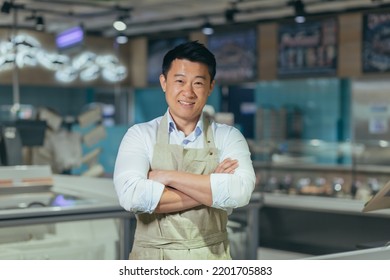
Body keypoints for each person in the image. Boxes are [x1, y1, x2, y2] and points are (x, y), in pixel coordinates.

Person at [113, 40, 256, 260]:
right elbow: (131, 196)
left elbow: (240, 192)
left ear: (210, 87)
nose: (187, 92)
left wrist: (167, 176)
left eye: (198, 83)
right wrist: (211, 186)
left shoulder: (228, 136)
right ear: (164, 82)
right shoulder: (140, 135)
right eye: (179, 81)